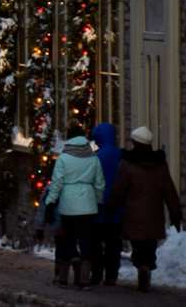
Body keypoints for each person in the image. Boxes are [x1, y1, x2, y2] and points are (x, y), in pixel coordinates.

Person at [106, 126, 182, 293]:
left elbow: (119, 189)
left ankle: (142, 265)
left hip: (133, 214)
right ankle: (146, 265)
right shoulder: (160, 165)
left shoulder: (127, 164)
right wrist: (176, 213)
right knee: (150, 244)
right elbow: (169, 190)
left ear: (135, 142)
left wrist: (111, 206)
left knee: (138, 244)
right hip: (154, 214)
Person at [44, 123, 105, 289]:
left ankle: (64, 276)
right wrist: (98, 202)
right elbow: (100, 184)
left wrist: (50, 203)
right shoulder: (93, 158)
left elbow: (56, 183)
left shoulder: (63, 158)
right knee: (86, 240)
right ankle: (84, 279)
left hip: (68, 205)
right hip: (88, 205)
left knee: (67, 238)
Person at [89, 122, 123, 286]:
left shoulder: (96, 158)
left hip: (98, 206)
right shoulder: (120, 155)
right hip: (116, 206)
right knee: (113, 243)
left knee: (95, 242)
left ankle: (96, 273)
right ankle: (111, 275)